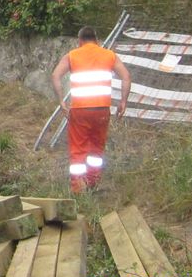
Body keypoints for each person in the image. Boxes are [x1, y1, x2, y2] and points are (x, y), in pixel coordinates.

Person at [51, 26, 132, 193]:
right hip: (102, 110)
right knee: (97, 147)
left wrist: (61, 101)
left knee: (78, 148)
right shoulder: (109, 55)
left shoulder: (72, 55)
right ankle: (93, 182)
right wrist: (123, 101)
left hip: (80, 110)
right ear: (97, 40)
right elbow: (126, 77)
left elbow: (55, 75)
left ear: (80, 41)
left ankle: (77, 187)